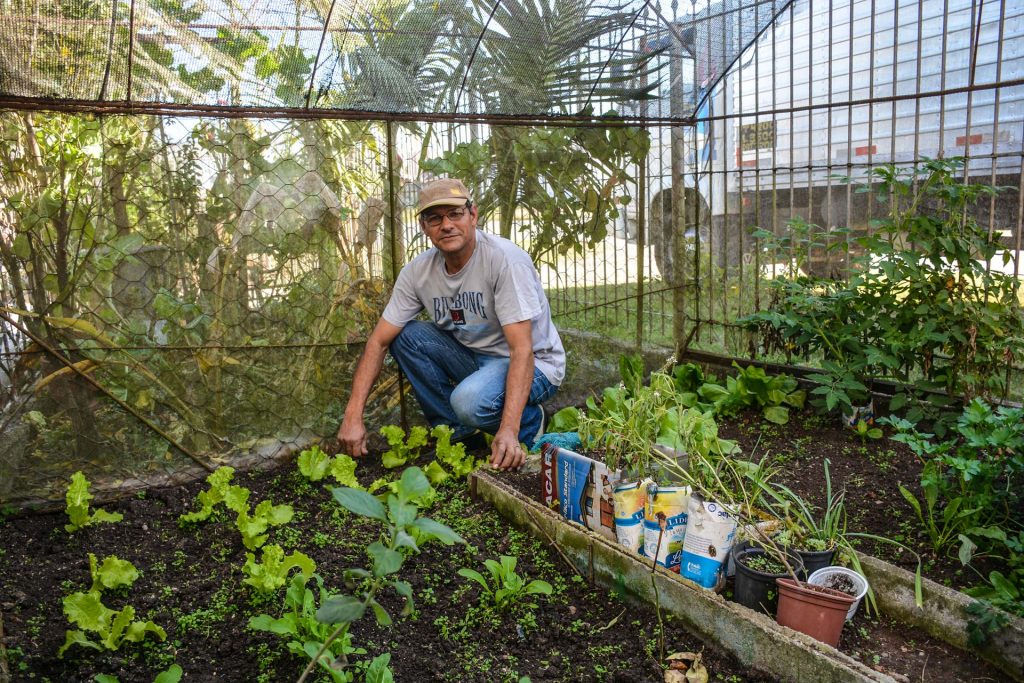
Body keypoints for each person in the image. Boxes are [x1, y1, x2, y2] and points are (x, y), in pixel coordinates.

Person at [337, 178, 565, 471]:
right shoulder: (418, 272)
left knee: (469, 402)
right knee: (406, 336)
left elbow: (522, 350)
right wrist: (353, 416)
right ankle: (460, 435)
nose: (446, 225)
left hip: (535, 364)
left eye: (455, 214)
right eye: (435, 218)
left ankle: (528, 423)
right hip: (477, 359)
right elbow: (378, 341)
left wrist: (509, 427)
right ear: (424, 227)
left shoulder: (504, 260)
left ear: (473, 215)